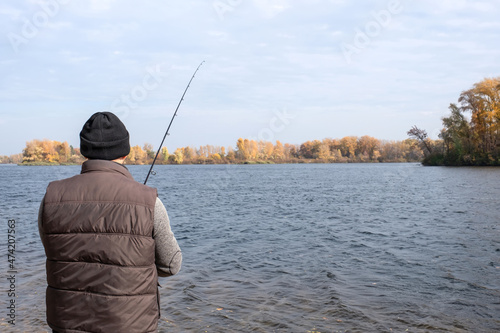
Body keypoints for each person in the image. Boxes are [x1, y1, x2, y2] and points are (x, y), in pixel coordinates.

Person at [38, 112, 182, 333]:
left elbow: (57, 252)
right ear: (125, 152)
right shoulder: (150, 201)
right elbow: (171, 265)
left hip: (67, 324)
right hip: (131, 325)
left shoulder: (51, 197)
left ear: (84, 151)